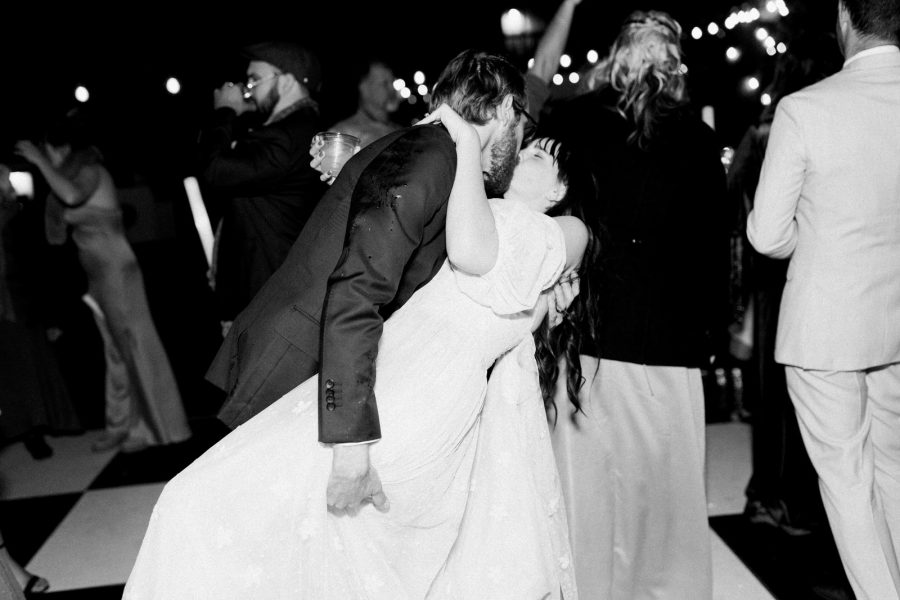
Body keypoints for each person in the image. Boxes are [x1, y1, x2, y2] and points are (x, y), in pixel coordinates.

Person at [125, 92, 590, 597]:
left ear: (560, 189)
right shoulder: (475, 207)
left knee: (304, 509)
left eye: (539, 156)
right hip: (382, 371)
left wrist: (460, 138)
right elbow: (409, 241)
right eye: (525, 147)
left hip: (426, 394)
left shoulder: (568, 230)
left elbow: (475, 253)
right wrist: (362, 177)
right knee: (250, 500)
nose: (521, 155)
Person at [208, 49, 531, 510]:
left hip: (313, 355)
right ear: (505, 109)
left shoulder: (434, 153)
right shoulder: (432, 154)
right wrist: (351, 445)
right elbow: (357, 289)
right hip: (301, 363)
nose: (520, 142)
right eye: (522, 125)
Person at [540, 11, 730, 599]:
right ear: (675, 64)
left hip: (590, 333)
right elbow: (712, 251)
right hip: (669, 340)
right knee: (666, 493)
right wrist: (712, 337)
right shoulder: (698, 139)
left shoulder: (573, 121)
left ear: (617, 56)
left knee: (592, 490)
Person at [747, 0, 900, 597]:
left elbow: (766, 235)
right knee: (894, 468)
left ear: (843, 18)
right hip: (895, 321)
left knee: (848, 483)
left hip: (827, 325)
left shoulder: (804, 109)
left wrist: (814, 240)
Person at [15, 112, 191, 453]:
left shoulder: (90, 170)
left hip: (117, 271)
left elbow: (71, 197)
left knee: (134, 346)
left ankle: (156, 428)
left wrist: (39, 162)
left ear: (61, 148)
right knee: (115, 352)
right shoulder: (70, 176)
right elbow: (57, 226)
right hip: (97, 275)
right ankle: (120, 424)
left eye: (46, 150)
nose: (44, 157)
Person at [730, 39, 838, 537]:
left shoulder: (763, 131)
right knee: (805, 396)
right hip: (812, 272)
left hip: (772, 278)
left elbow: (734, 199)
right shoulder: (825, 122)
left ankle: (772, 496)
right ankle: (791, 498)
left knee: (775, 395)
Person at [199, 41, 328, 324]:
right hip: (275, 296)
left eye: (254, 80)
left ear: (287, 81)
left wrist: (225, 111)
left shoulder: (284, 137)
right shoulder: (293, 129)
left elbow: (214, 170)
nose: (247, 90)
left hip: (269, 303)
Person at [328, 58, 402, 149]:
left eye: (393, 82)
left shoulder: (400, 131)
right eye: (384, 83)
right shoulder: (343, 135)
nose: (392, 89)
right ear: (364, 88)